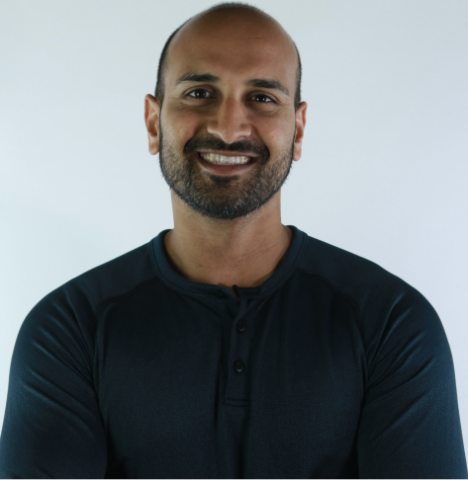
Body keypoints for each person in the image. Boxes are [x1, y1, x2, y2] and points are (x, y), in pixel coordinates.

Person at [0, 2, 466, 478]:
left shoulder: (391, 324)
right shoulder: (69, 331)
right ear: (153, 122)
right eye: (199, 93)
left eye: (262, 97)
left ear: (298, 130)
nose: (228, 128)